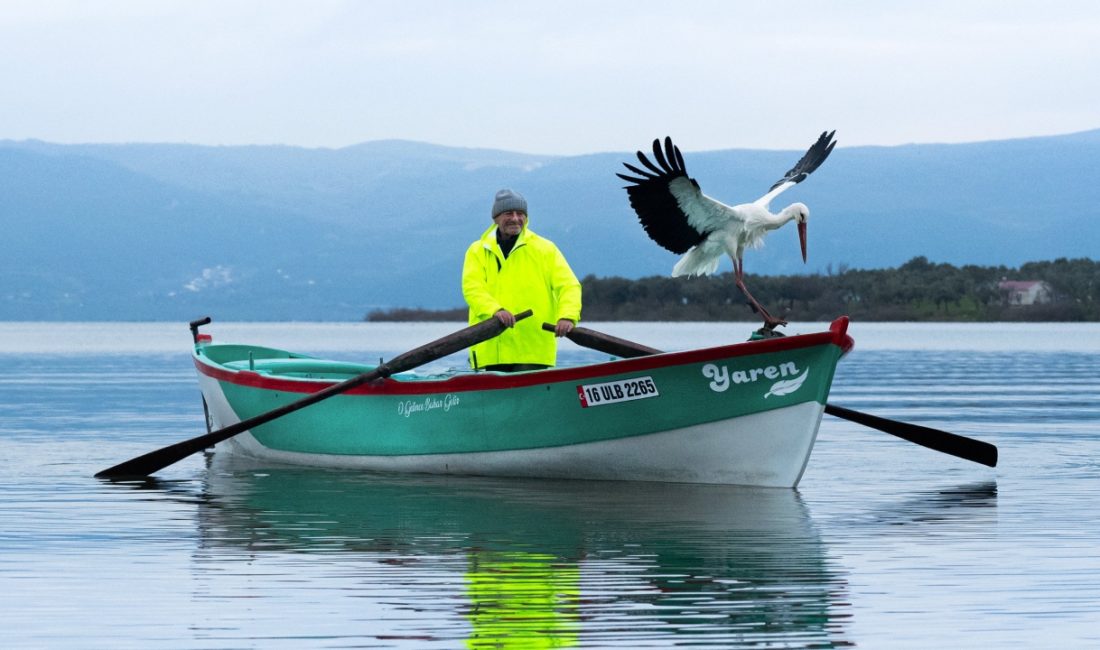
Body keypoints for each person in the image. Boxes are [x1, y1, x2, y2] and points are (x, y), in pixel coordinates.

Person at [462, 189, 582, 372]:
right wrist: (495, 310)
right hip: (490, 348)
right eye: (508, 213)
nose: (515, 218)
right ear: (495, 218)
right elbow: (472, 288)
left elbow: (569, 286)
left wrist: (567, 316)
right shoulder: (477, 250)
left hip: (533, 349)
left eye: (520, 214)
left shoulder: (545, 249)